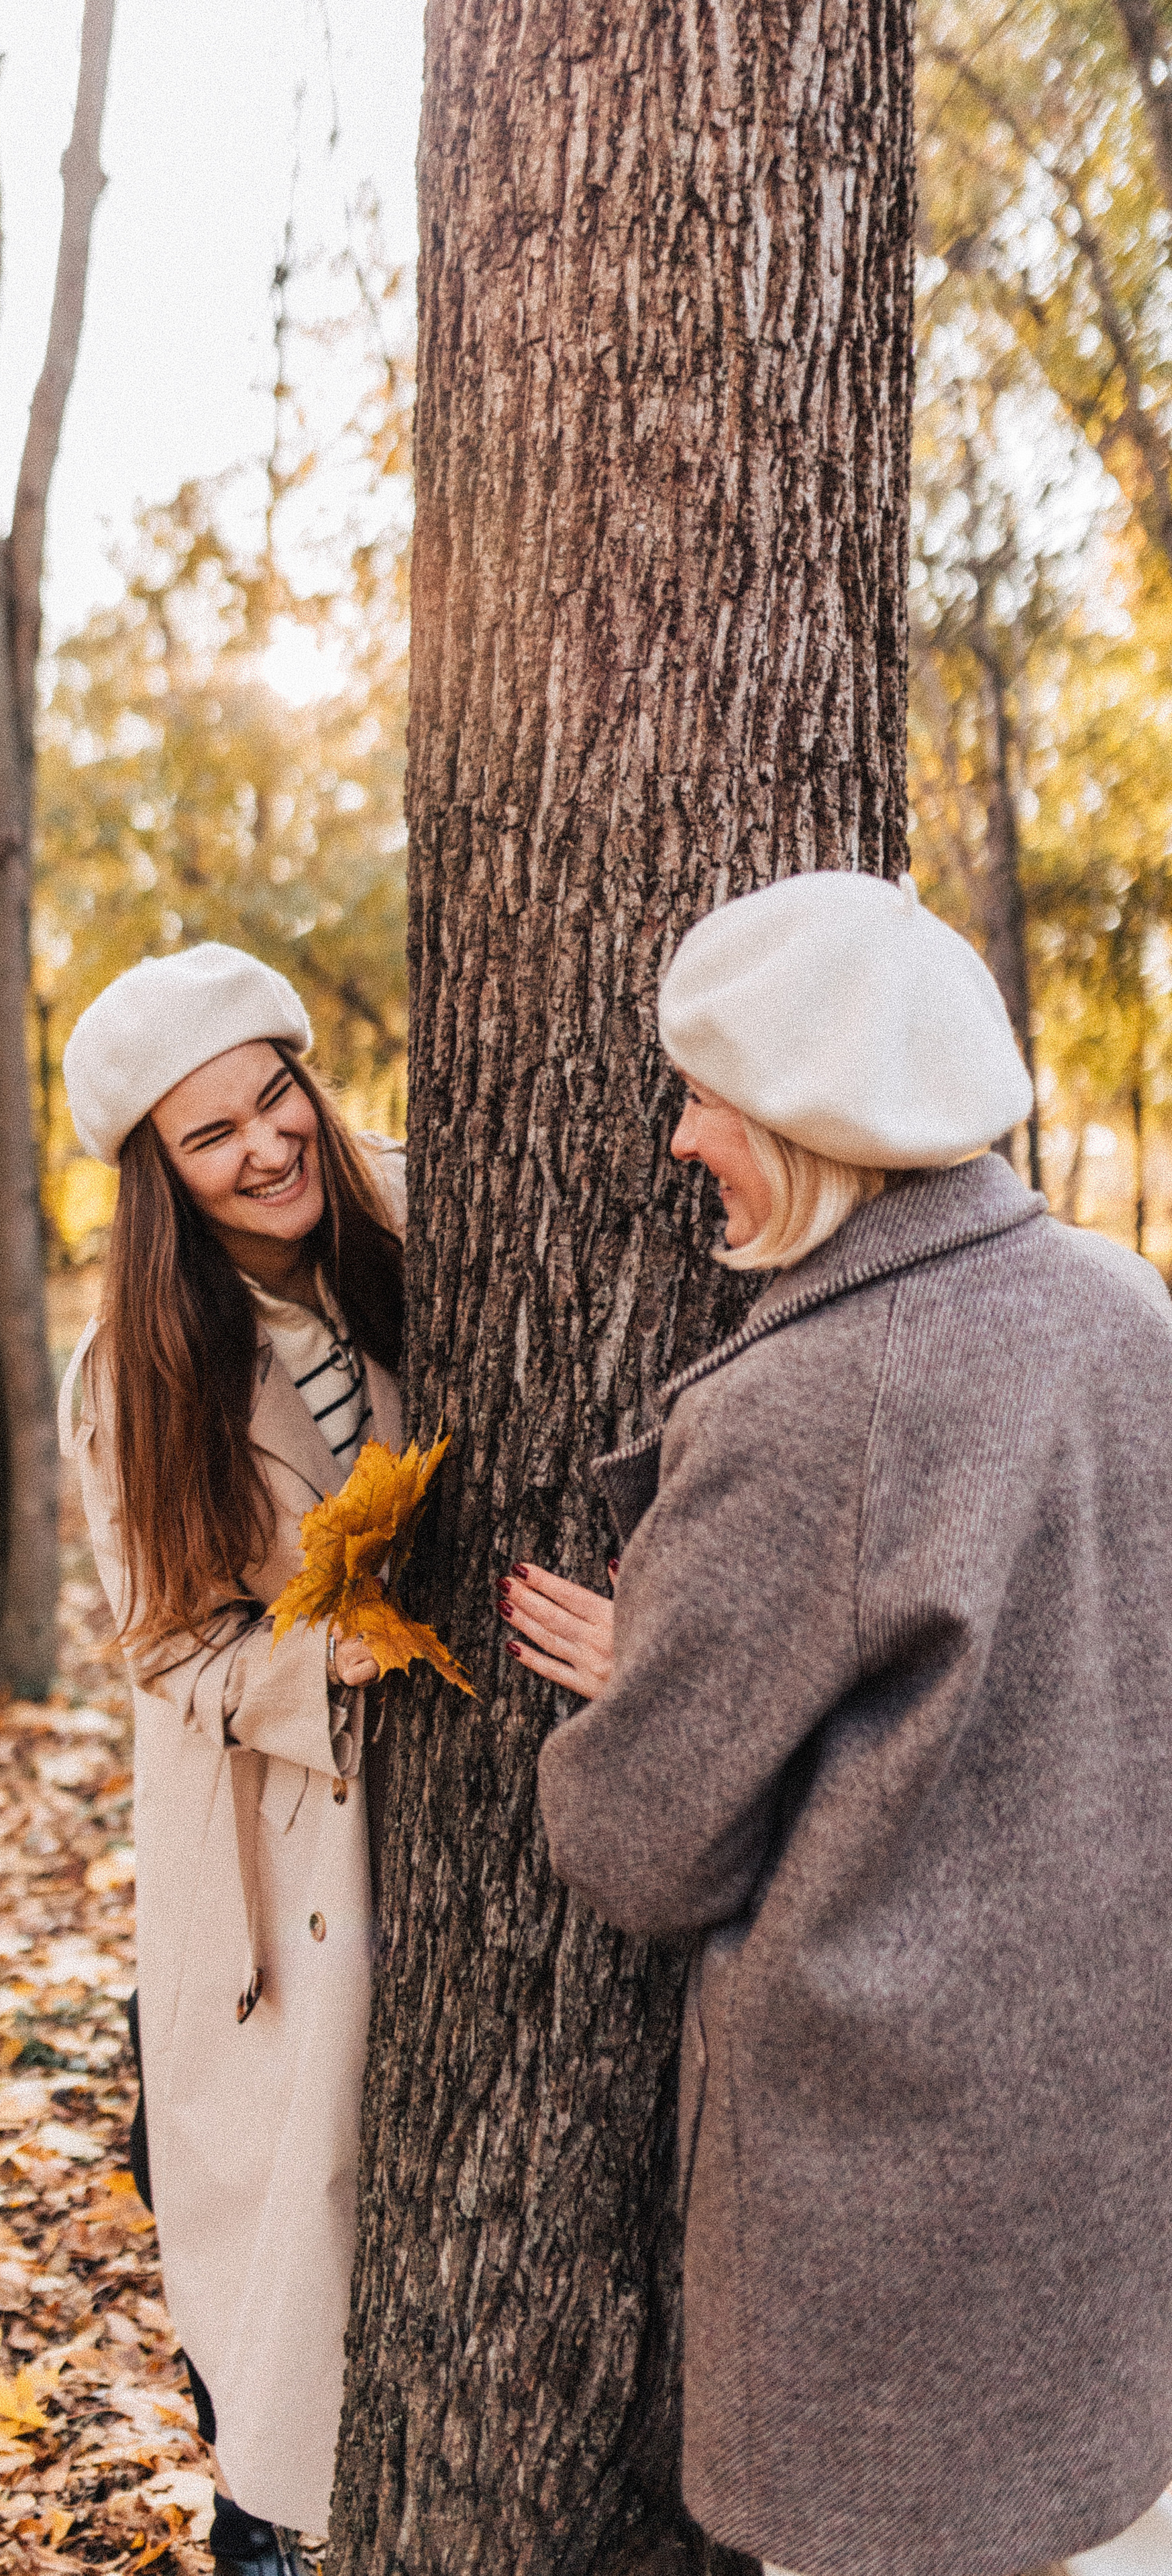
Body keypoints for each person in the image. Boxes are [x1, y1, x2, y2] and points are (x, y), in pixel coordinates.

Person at [504, 871, 1172, 2576]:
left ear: (810, 1117)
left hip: (885, 2208)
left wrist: (639, 1696)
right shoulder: (1124, 1314)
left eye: (703, 1097)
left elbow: (639, 1846)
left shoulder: (803, 1397)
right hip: (1104, 2153)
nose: (674, 1139)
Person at [56, 943, 405, 2576]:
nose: (266, 1149)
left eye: (277, 1100)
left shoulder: (411, 1217)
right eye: (214, 1139)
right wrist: (312, 1661)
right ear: (160, 1182)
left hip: (431, 1829)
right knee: (274, 2290)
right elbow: (167, 1642)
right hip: (271, 1852)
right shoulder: (137, 1372)